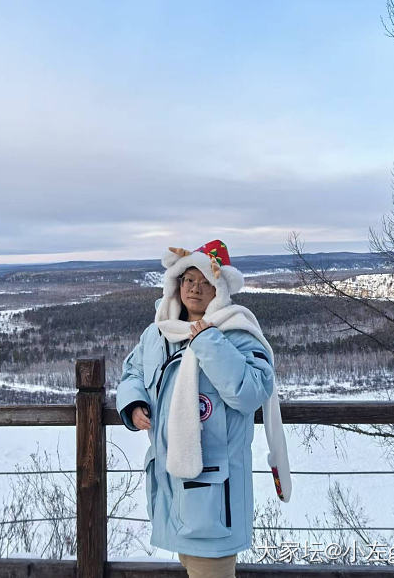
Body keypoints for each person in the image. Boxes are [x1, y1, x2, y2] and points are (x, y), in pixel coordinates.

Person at [116, 240, 291, 578]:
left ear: (220, 290)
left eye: (205, 282)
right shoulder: (159, 333)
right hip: (170, 486)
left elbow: (251, 392)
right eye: (188, 280)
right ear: (177, 285)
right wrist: (134, 403)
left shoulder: (238, 335)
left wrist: (208, 341)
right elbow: (133, 371)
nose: (195, 289)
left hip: (214, 492)